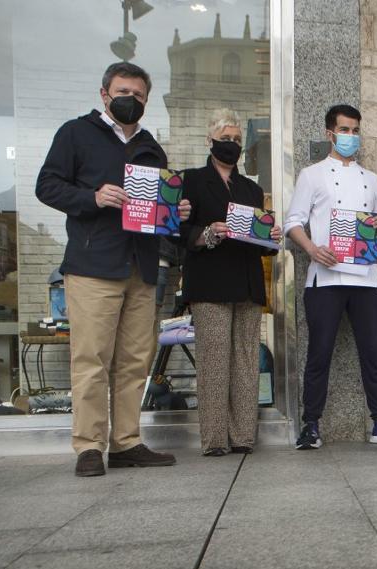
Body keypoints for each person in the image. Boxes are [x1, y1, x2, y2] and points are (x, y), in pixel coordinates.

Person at [35, 62, 191, 477]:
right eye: (123, 92)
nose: (130, 100)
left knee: (135, 361)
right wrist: (93, 196)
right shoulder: (76, 133)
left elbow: (157, 208)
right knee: (91, 359)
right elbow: (47, 186)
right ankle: (89, 446)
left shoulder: (151, 146)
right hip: (93, 264)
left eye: (138, 95)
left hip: (142, 266)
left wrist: (176, 213)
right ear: (104, 94)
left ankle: (126, 442)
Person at [284, 104, 377, 449]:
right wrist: (312, 249)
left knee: (373, 354)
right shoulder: (312, 175)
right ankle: (311, 425)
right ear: (330, 134)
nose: (351, 136)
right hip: (326, 279)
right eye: (345, 130)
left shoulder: (372, 180)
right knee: (319, 353)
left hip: (366, 279)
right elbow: (293, 222)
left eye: (355, 130)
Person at [179, 108, 281, 456]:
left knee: (246, 363)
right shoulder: (191, 181)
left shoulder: (251, 188)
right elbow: (177, 232)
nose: (232, 144)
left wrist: (270, 238)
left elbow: (258, 241)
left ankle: (243, 436)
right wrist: (206, 233)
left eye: (237, 139)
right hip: (210, 284)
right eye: (226, 138)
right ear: (210, 141)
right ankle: (214, 439)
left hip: (247, 283)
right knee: (214, 362)